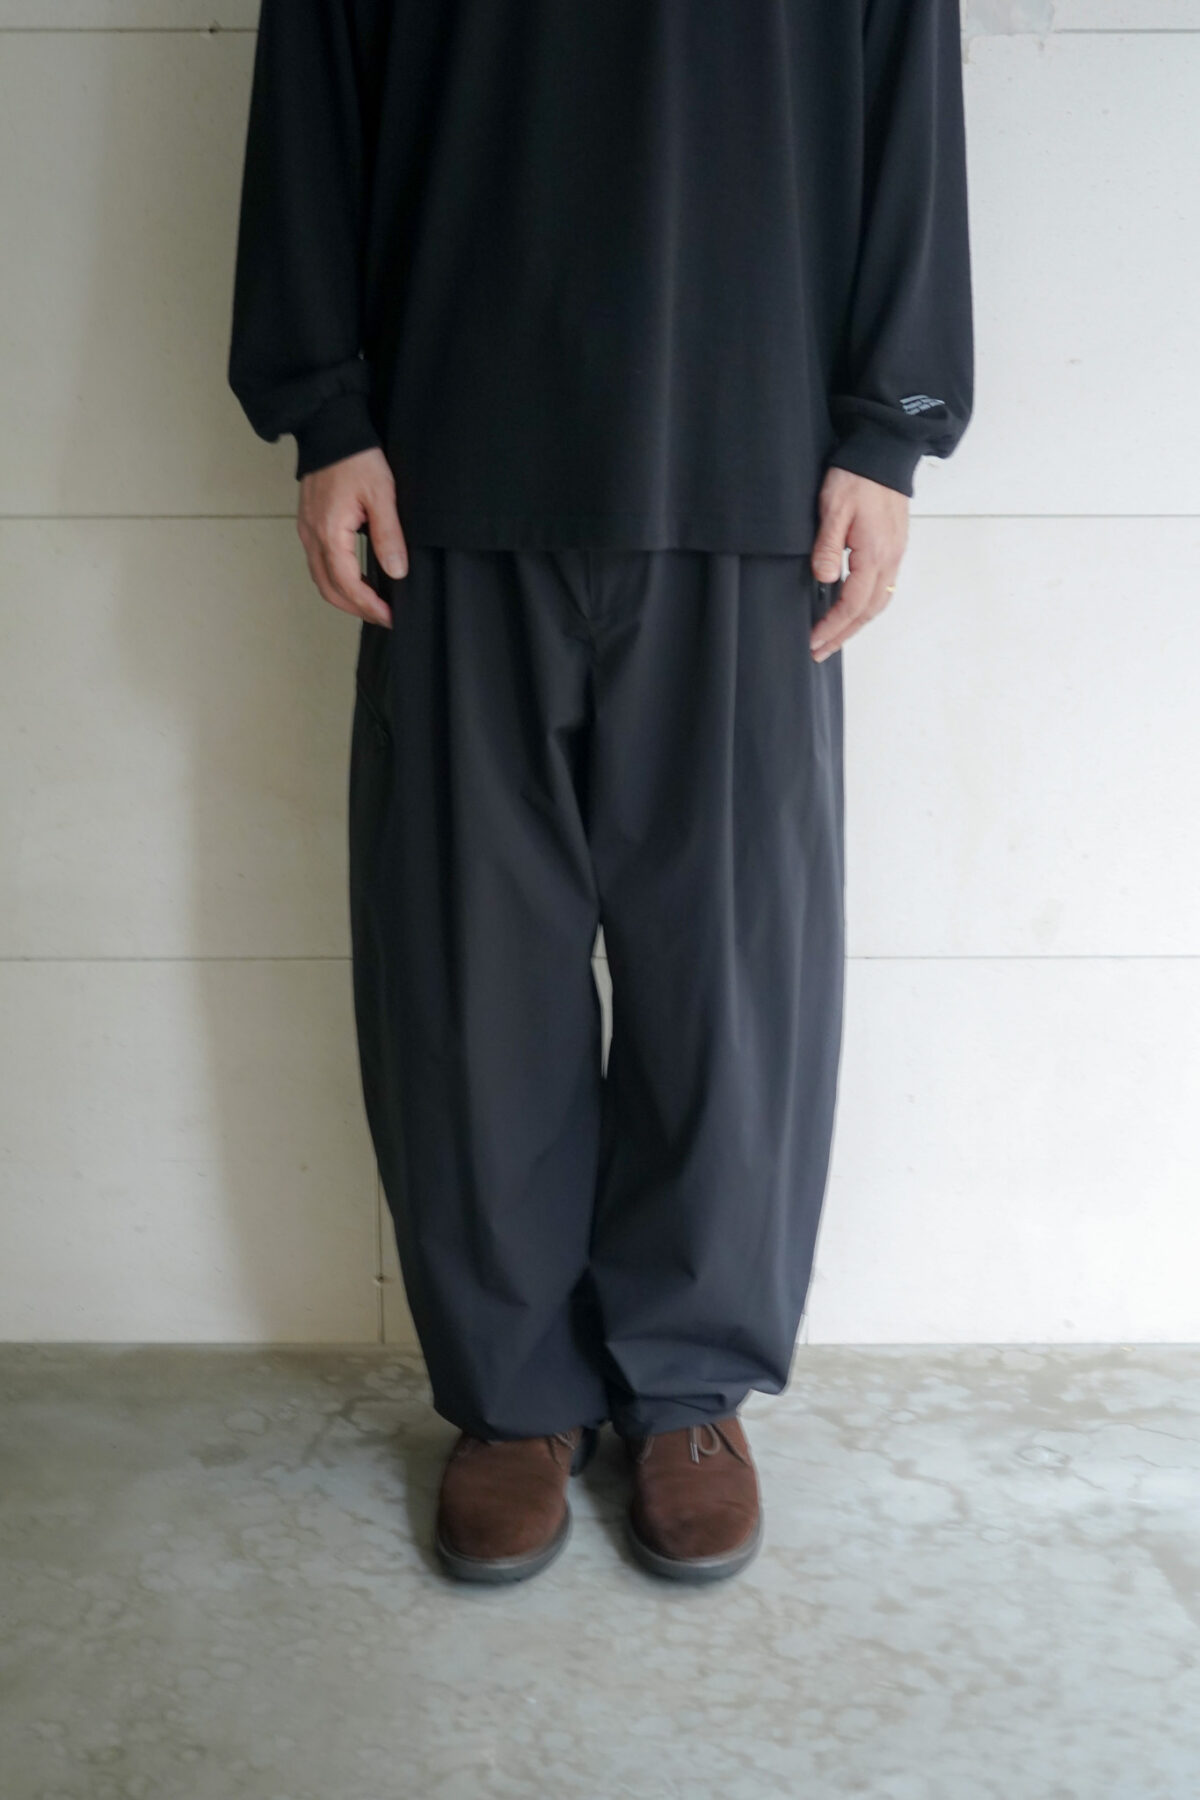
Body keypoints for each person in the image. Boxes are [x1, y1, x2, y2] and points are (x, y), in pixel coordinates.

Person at [228, 0, 973, 1587]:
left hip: (754, 464)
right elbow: (312, 85)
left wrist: (890, 425)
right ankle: (515, 1397)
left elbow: (906, 94)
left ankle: (688, 1389)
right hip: (449, 459)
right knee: (468, 972)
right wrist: (325, 409)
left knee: (731, 974)